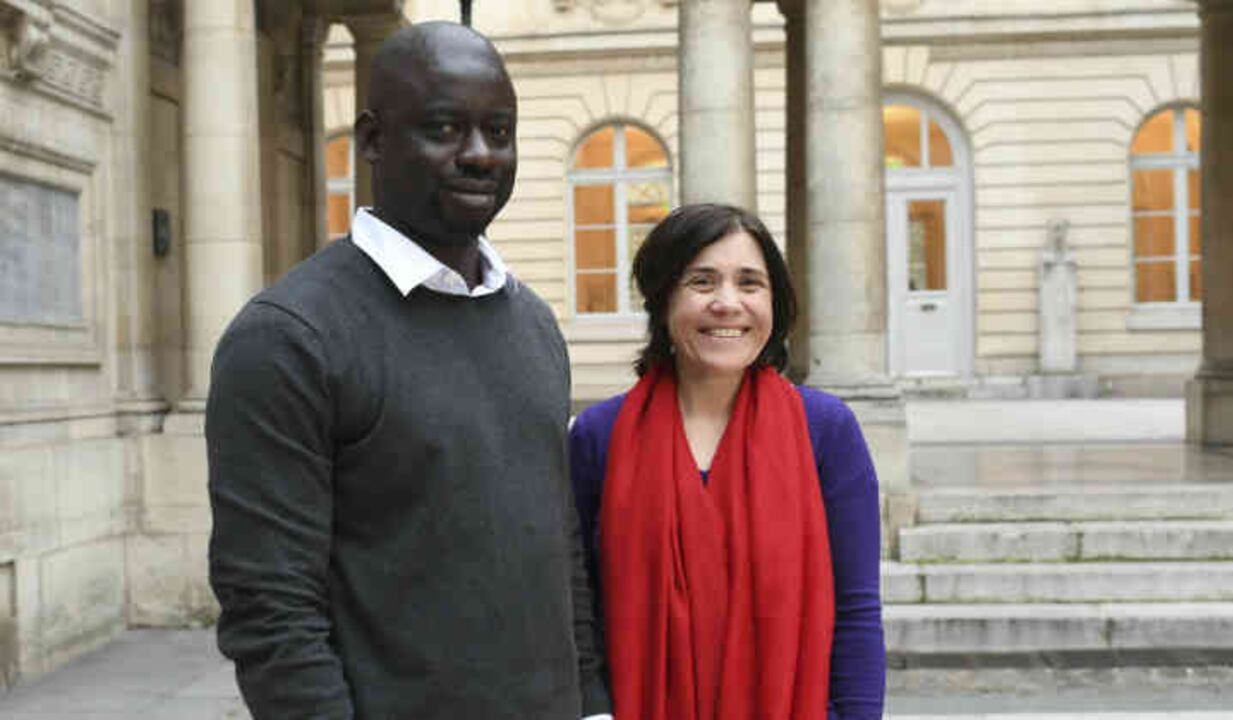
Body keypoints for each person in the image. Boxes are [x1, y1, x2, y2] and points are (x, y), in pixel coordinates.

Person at [207, 22, 611, 720]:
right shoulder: (287, 339)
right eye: (445, 128)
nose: (480, 155)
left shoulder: (534, 324)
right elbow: (271, 613)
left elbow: (558, 545)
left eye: (500, 131)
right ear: (371, 140)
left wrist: (594, 705)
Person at [570, 203, 886, 720]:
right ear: (663, 298)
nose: (727, 303)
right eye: (701, 281)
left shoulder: (826, 431)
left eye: (749, 283)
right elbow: (577, 614)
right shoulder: (598, 437)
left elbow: (855, 616)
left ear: (774, 303)